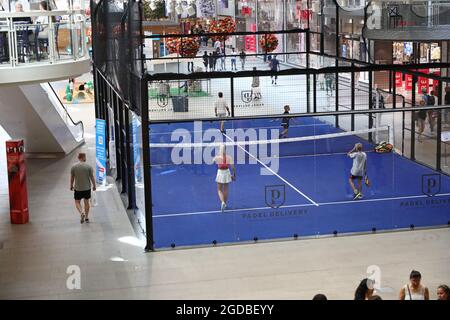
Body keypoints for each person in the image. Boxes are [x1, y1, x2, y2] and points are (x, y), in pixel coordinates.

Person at [70, 152, 96, 224]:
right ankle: (87, 217)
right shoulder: (88, 166)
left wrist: (71, 185)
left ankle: (81, 212)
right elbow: (92, 177)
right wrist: (94, 185)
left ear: (78, 157)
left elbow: (72, 178)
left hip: (78, 188)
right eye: (85, 157)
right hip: (87, 188)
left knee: (77, 202)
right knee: (86, 202)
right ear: (83, 157)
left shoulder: (74, 167)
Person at [214, 145, 236, 212]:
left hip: (220, 173)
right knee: (226, 189)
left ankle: (222, 202)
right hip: (227, 172)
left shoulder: (217, 157)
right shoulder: (229, 157)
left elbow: (215, 161)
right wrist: (234, 175)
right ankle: (225, 203)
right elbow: (233, 167)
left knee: (219, 190)